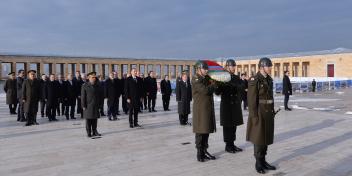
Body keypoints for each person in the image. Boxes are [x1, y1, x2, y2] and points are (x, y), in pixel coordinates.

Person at [246, 57, 277, 174]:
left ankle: (263, 160)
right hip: (259, 112)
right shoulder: (255, 79)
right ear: (262, 67)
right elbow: (251, 99)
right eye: (269, 66)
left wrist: (272, 111)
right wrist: (254, 116)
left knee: (266, 138)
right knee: (259, 138)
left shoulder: (269, 79)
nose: (270, 68)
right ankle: (258, 162)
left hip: (268, 112)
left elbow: (270, 97)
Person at [215, 59, 244, 153]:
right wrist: (219, 83)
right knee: (227, 126)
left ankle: (232, 144)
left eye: (234, 66)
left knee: (234, 126)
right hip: (227, 105)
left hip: (235, 105)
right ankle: (228, 145)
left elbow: (242, 87)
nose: (234, 68)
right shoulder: (222, 78)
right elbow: (217, 92)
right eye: (232, 66)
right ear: (227, 67)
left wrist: (234, 85)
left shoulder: (236, 77)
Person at [192, 60, 218, 162]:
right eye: (204, 69)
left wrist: (215, 82)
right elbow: (205, 90)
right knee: (200, 131)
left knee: (206, 130)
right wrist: (213, 84)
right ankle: (199, 153)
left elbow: (214, 89)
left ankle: (205, 150)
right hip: (200, 109)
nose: (206, 70)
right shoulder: (196, 78)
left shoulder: (207, 78)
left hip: (207, 108)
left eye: (207, 69)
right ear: (199, 69)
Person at [81, 72, 102, 137]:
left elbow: (100, 96)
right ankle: (89, 132)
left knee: (95, 119)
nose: (94, 78)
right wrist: (83, 105)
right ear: (89, 78)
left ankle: (95, 131)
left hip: (95, 105)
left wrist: (100, 104)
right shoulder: (85, 85)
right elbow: (83, 96)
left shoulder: (97, 85)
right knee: (88, 120)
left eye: (95, 77)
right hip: (88, 105)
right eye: (92, 77)